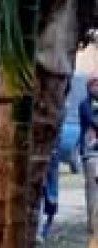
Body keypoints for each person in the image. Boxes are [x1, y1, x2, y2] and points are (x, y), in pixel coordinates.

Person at [79, 75, 98, 235]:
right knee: (92, 189)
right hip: (91, 153)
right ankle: (92, 224)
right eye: (94, 85)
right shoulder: (85, 105)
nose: (97, 88)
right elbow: (93, 121)